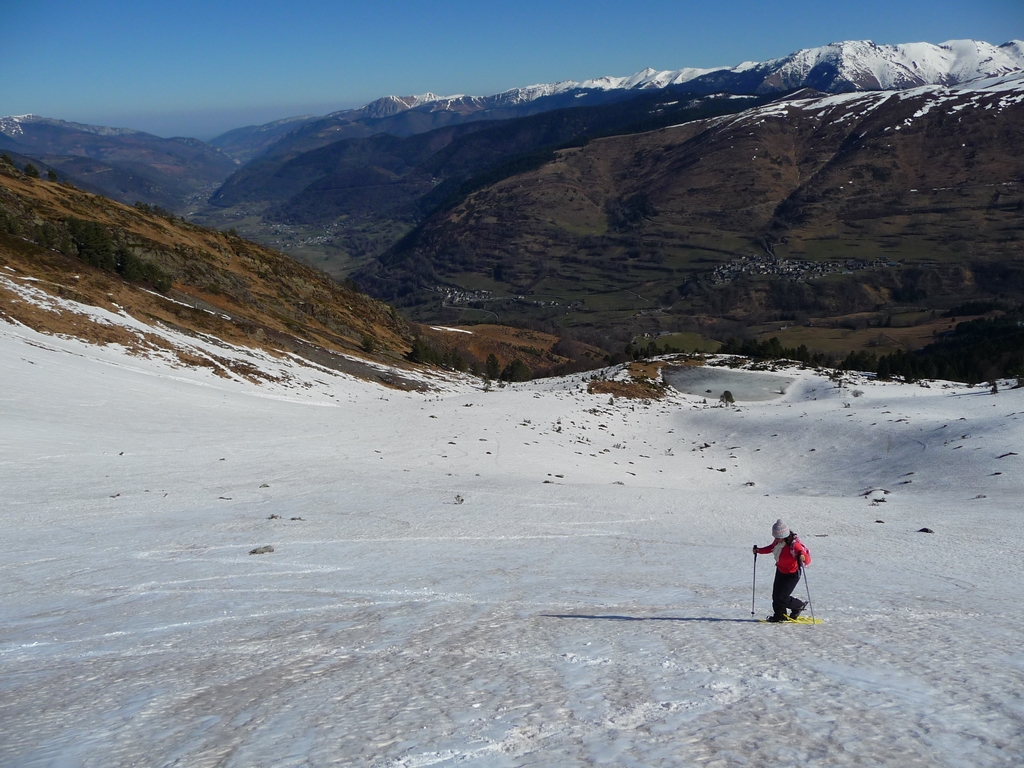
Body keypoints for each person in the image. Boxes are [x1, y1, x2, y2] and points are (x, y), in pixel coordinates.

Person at [753, 519, 811, 622]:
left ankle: (798, 605)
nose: (776, 539)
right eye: (775, 537)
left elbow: (807, 559)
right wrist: (759, 550)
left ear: (784, 535)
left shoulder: (794, 545)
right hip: (780, 570)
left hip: (792, 574)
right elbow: (771, 548)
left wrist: (803, 557)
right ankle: (780, 615)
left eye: (778, 537)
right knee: (776, 596)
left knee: (782, 597)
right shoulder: (777, 542)